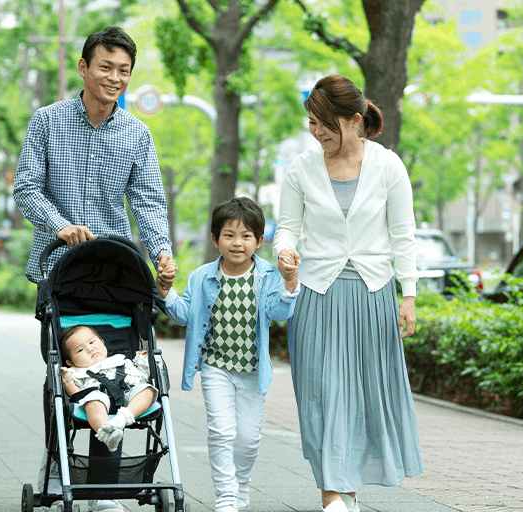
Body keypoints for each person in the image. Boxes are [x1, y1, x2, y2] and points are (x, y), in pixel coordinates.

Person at [13, 26, 175, 512]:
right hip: (60, 274)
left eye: (124, 70)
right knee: (67, 378)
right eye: (106, 67)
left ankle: (106, 489)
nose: (115, 77)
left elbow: (147, 202)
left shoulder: (136, 133)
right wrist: (60, 226)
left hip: (116, 277)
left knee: (121, 372)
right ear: (84, 68)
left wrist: (161, 254)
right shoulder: (47, 121)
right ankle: (61, 465)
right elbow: (25, 188)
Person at [273, 75, 424, 512]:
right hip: (316, 294)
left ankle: (347, 494)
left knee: (362, 396)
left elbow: (404, 234)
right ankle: (333, 495)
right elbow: (287, 226)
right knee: (322, 395)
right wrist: (285, 252)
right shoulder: (301, 167)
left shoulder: (388, 166)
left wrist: (408, 294)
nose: (317, 132)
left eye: (325, 124)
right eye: (312, 124)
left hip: (372, 294)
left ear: (354, 121)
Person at [156, 197, 300, 512]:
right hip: (214, 366)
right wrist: (166, 292)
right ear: (215, 239)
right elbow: (184, 315)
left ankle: (241, 485)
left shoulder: (268, 276)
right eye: (229, 235)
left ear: (260, 241)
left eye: (246, 236)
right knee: (221, 430)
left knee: (247, 439)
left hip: (252, 369)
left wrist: (290, 281)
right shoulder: (201, 276)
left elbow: (278, 312)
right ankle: (225, 495)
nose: (237, 243)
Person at [60, 325, 157, 452]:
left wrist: (142, 360)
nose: (90, 349)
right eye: (80, 350)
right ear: (70, 362)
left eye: (92, 342)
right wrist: (68, 382)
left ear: (102, 343)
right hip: (99, 398)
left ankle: (122, 419)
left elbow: (141, 377)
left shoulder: (121, 361)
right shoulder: (77, 373)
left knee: (147, 389)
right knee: (92, 401)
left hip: (128, 395)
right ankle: (106, 434)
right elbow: (76, 395)